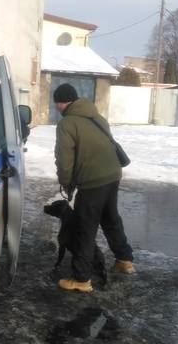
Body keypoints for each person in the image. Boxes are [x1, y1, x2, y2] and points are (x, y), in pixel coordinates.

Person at [53, 83, 135, 293]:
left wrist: (65, 181)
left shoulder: (67, 124)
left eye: (57, 104)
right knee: (110, 218)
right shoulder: (97, 117)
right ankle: (124, 260)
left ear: (63, 103)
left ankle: (81, 279)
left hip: (92, 181)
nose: (57, 108)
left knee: (84, 228)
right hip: (112, 174)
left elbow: (65, 160)